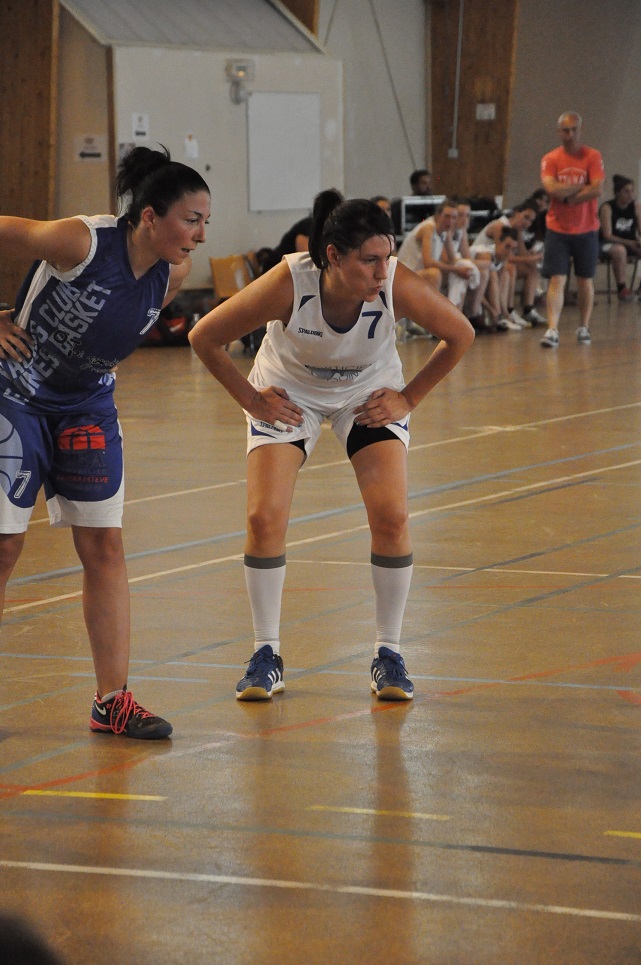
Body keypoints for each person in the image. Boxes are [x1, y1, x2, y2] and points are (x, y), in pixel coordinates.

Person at [189, 189, 474, 702]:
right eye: (370, 261)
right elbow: (203, 337)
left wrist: (408, 397)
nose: (382, 272)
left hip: (366, 392)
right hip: (290, 391)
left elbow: (460, 334)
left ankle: (389, 653)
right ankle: (265, 652)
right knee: (264, 518)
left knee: (392, 516)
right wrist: (253, 401)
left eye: (387, 258)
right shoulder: (288, 282)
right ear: (333, 256)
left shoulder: (394, 286)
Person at [0, 145, 211, 738]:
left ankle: (111, 701)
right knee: (5, 549)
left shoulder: (172, 274)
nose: (198, 235)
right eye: (190, 220)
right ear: (149, 216)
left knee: (105, 548)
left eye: (205, 223)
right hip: (15, 393)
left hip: (86, 403)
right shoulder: (81, 242)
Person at [539, 111, 605, 348]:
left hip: (587, 228)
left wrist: (569, 195)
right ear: (559, 132)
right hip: (558, 228)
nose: (570, 134)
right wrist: (580, 187)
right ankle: (552, 329)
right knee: (557, 278)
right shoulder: (551, 158)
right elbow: (551, 188)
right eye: (565, 130)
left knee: (584, 279)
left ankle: (584, 327)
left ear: (581, 130)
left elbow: (597, 189)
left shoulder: (592, 156)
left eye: (574, 129)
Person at [398, 199, 481, 316]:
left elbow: (453, 259)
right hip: (405, 275)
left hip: (418, 274)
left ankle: (455, 316)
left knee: (463, 271)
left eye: (453, 217)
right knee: (435, 274)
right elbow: (428, 263)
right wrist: (457, 270)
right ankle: (432, 319)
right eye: (446, 216)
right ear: (437, 216)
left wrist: (467, 267)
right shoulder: (428, 228)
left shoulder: (444, 232)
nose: (450, 221)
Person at [469, 199, 546, 327]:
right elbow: (505, 255)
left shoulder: (518, 231)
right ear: (516, 212)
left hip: (494, 262)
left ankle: (528, 309)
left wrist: (534, 258)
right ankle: (507, 310)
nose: (527, 223)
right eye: (526, 217)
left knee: (531, 269)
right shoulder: (500, 226)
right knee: (509, 268)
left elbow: (523, 254)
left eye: (531, 220)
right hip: (482, 259)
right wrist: (534, 259)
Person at [599, 174, 641, 301]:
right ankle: (622, 288)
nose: (630, 195)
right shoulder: (608, 207)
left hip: (630, 242)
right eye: (626, 191)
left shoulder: (635, 207)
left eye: (632, 191)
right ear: (617, 193)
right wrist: (629, 243)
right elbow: (607, 235)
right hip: (607, 244)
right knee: (620, 250)